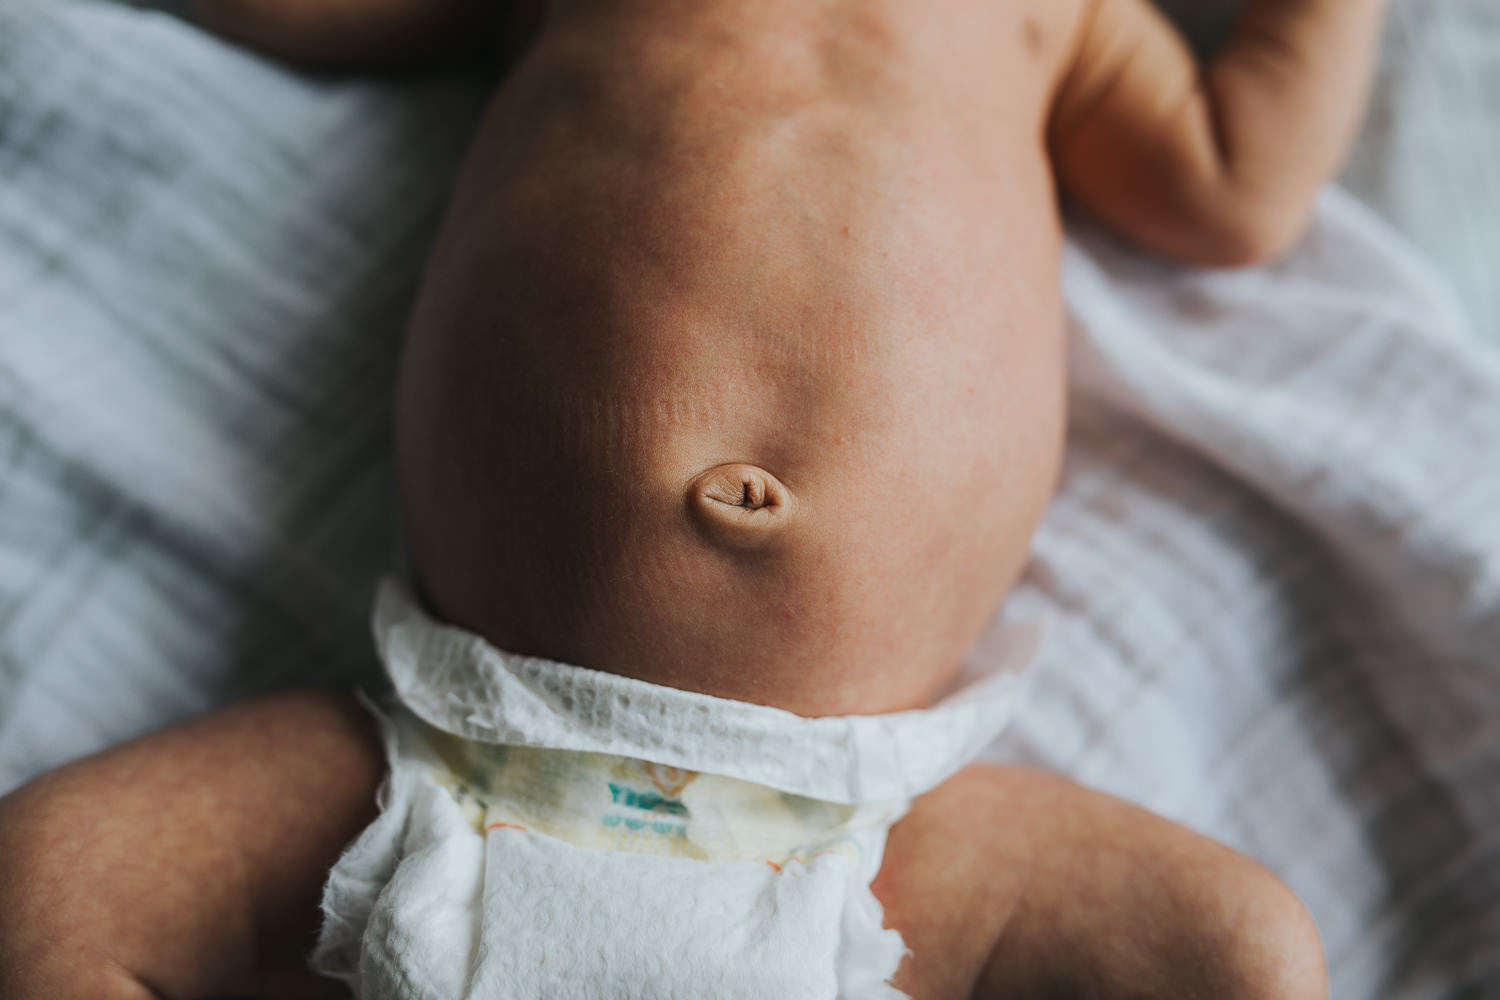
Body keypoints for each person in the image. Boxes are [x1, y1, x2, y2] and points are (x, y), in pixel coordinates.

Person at [0, 0, 1385, 995]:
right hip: (450, 760)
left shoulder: (1059, 16)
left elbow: (1234, 181)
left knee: (1245, 954)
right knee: (42, 887)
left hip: (855, 838)